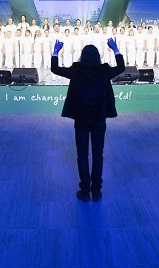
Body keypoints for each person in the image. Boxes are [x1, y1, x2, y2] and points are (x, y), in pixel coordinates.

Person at [51, 37, 125, 203]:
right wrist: (115, 48)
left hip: (81, 120)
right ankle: (96, 192)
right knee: (98, 155)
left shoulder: (77, 70)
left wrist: (56, 51)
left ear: (82, 57)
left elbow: (55, 69)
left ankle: (85, 192)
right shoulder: (105, 70)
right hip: (99, 120)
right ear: (98, 57)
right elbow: (121, 67)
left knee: (82, 155)